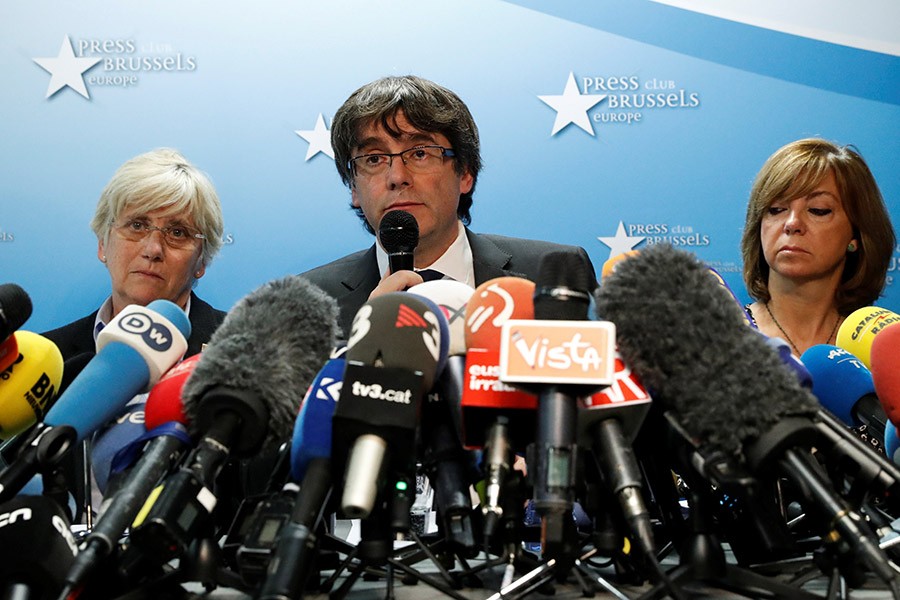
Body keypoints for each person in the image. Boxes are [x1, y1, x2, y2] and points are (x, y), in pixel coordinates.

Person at [300, 74, 598, 337]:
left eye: (419, 153)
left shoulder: (550, 272)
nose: (397, 177)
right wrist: (363, 343)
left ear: (465, 172)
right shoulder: (308, 302)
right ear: (353, 187)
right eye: (374, 159)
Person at [40, 147, 227, 523]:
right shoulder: (49, 359)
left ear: (202, 261)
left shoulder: (236, 351)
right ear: (101, 244)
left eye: (177, 232)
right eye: (137, 225)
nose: (153, 249)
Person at [741, 137, 895, 357]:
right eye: (776, 209)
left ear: (856, 235)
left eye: (818, 210)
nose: (792, 223)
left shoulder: (883, 349)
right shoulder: (722, 337)